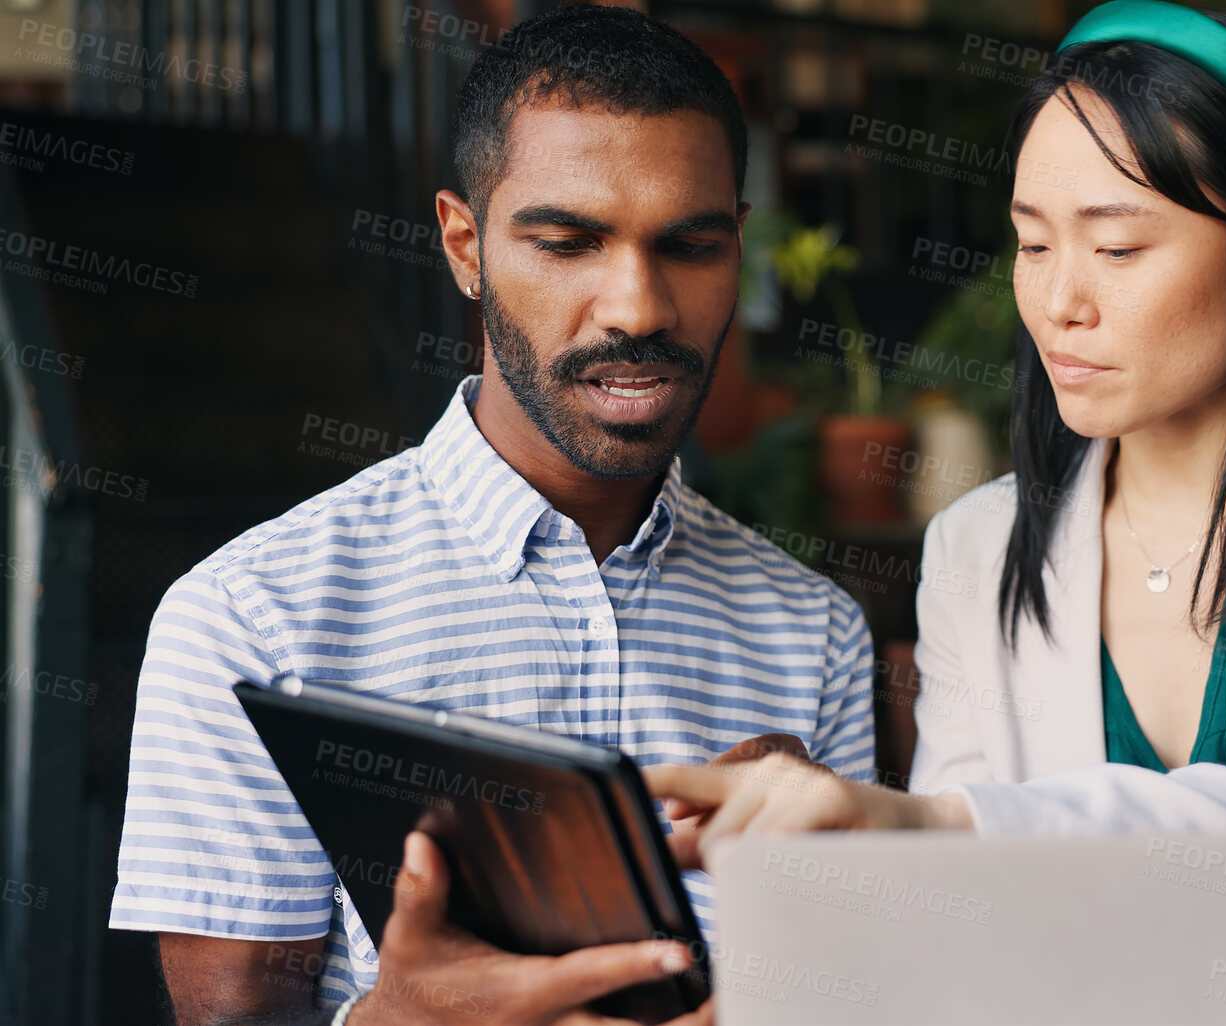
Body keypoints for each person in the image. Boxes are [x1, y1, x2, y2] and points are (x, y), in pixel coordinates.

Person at [106, 7, 874, 1024]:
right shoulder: (252, 618)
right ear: (464, 246)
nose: (636, 306)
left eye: (690, 245)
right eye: (567, 242)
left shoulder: (813, 633)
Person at [650, 0, 1226, 858]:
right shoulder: (979, 545)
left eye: (1117, 248)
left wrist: (945, 830)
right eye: (1034, 245)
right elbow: (962, 926)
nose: (1057, 303)